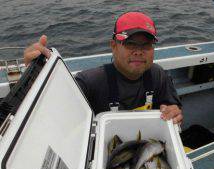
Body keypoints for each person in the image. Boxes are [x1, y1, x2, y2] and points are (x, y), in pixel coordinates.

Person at [24, 11, 183, 124]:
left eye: (146, 45)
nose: (139, 52)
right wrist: (33, 79)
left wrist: (174, 112)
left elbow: (172, 106)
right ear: (113, 46)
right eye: (130, 43)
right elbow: (51, 111)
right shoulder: (88, 82)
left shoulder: (158, 75)